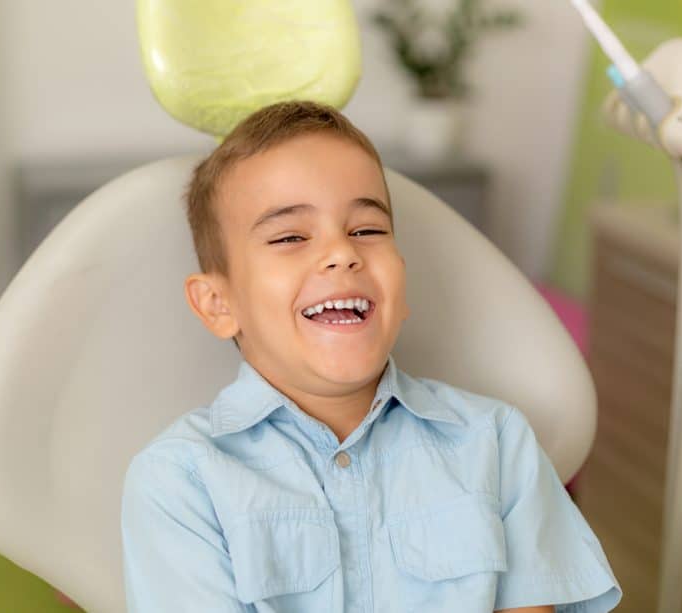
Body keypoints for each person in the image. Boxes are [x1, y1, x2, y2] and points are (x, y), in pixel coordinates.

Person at [121, 99, 621, 612]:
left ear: (401, 283)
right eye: (290, 236)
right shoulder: (180, 480)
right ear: (218, 304)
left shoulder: (495, 443)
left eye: (367, 230)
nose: (343, 252)